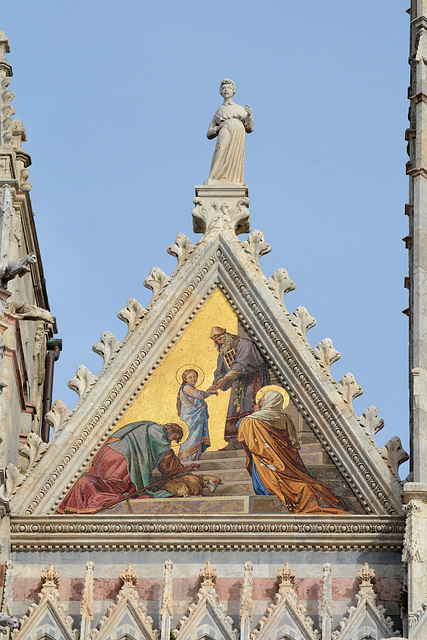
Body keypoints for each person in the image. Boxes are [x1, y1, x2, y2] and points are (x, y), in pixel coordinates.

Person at [237, 390, 348, 514]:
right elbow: (292, 445)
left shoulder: (250, 421)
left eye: (262, 399)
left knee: (303, 488)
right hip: (285, 465)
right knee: (306, 487)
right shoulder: (286, 419)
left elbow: (244, 437)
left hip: (266, 466)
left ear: (269, 401)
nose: (259, 401)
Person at [57, 421, 198, 514]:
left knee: (97, 481)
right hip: (121, 457)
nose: (172, 440)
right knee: (119, 486)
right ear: (170, 431)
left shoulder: (147, 425)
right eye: (174, 437)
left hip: (106, 451)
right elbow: (166, 459)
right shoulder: (160, 436)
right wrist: (180, 470)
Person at [208, 327, 270, 449]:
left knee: (250, 407)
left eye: (220, 339)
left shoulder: (243, 343)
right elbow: (220, 371)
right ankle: (235, 442)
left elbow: (243, 363)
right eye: (217, 341)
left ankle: (253, 440)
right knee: (235, 410)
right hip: (238, 384)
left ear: (227, 336)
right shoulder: (224, 352)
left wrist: (226, 378)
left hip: (253, 379)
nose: (220, 342)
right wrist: (216, 384)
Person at [205, 78, 254, 185]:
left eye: (229, 88)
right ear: (220, 91)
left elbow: (250, 128)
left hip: (239, 134)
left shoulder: (240, 108)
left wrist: (249, 116)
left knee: (234, 157)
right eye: (224, 88)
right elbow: (209, 133)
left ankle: (232, 179)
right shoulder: (220, 110)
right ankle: (216, 177)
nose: (226, 90)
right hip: (225, 130)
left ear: (234, 90)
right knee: (221, 151)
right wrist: (218, 128)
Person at [177, 368, 217, 462]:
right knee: (191, 437)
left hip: (195, 418)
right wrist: (210, 392)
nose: (193, 379)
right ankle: (187, 458)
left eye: (195, 376)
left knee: (195, 437)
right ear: (185, 379)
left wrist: (207, 391)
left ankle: (194, 458)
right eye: (190, 377)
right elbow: (199, 395)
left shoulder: (191, 388)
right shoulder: (187, 387)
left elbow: (198, 396)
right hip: (191, 418)